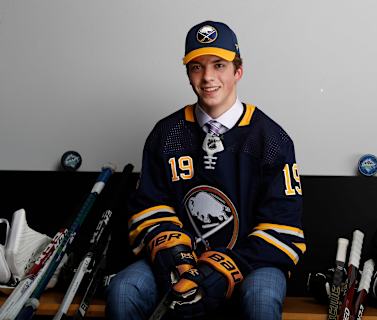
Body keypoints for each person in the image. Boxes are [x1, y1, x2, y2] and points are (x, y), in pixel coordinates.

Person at [106, 20, 306, 320]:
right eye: (197, 67)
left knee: (262, 298)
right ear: (188, 75)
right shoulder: (167, 133)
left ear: (238, 71)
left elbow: (283, 227)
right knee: (124, 288)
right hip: (183, 261)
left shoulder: (271, 139)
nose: (208, 77)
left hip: (251, 262)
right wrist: (176, 257)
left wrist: (221, 268)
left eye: (219, 65)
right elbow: (150, 205)